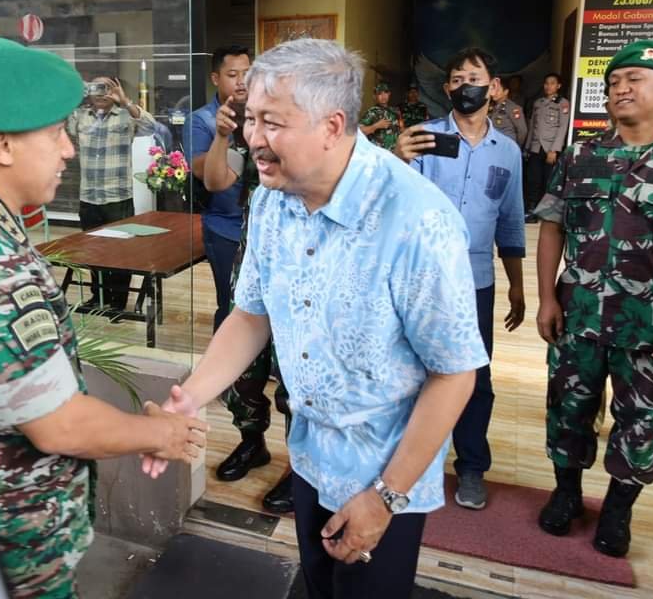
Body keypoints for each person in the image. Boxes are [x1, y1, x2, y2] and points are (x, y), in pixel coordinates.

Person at [146, 38, 487, 597]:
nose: (253, 137)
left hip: (385, 471)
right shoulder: (272, 199)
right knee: (319, 586)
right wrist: (190, 398)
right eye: (251, 118)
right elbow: (251, 315)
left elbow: (454, 373)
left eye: (272, 122)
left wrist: (386, 497)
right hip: (308, 453)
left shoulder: (417, 219)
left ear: (332, 126)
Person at [0, 38, 207, 598]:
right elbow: (59, 425)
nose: (68, 150)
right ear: (3, 144)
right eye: (55, 133)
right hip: (3, 545)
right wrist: (161, 433)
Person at [534, 40, 653, 557]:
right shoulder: (581, 154)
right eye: (613, 82)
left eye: (634, 79)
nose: (621, 89)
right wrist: (546, 298)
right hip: (578, 314)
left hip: (652, 325)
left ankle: (617, 509)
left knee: (640, 422)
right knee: (568, 409)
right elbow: (552, 227)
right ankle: (567, 493)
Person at [395, 48, 526, 511]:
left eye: (474, 78)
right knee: (412, 372)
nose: (464, 86)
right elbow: (394, 202)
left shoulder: (508, 152)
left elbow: (510, 221)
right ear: (447, 88)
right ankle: (406, 465)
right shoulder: (424, 138)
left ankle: (471, 466)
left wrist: (516, 285)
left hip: (476, 282)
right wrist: (397, 158)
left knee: (474, 376)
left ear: (494, 87)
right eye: (456, 79)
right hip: (420, 277)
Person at [201, 91, 293, 513]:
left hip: (301, 271)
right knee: (244, 373)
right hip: (254, 262)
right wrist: (222, 136)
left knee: (294, 376)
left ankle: (300, 468)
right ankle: (251, 442)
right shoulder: (250, 149)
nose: (258, 130)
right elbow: (215, 181)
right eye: (251, 119)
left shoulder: (308, 153)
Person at [67, 76, 156, 314]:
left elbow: (150, 126)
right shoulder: (80, 116)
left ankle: (118, 302)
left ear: (115, 91)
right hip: (89, 197)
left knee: (120, 251)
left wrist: (125, 101)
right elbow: (62, 127)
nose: (101, 93)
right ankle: (98, 297)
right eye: (95, 88)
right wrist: (76, 94)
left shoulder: (125, 115)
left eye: (106, 88)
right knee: (93, 251)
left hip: (118, 197)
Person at [184, 45, 251, 330]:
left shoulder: (261, 115)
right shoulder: (201, 120)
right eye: (233, 75)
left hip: (259, 226)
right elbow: (203, 172)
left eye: (247, 74)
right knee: (231, 303)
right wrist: (224, 137)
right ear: (215, 78)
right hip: (225, 227)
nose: (242, 82)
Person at [524, 73, 571, 221]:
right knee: (533, 179)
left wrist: (554, 150)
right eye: (546, 83)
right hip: (536, 147)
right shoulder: (538, 103)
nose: (548, 86)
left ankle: (545, 212)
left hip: (550, 148)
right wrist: (527, 147)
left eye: (552, 83)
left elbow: (562, 127)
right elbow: (532, 126)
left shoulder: (563, 103)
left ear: (558, 86)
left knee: (549, 180)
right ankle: (531, 209)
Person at [359, 81, 400, 150]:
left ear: (389, 94)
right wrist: (376, 126)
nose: (383, 96)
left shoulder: (395, 111)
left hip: (393, 153)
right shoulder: (372, 112)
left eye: (385, 92)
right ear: (375, 96)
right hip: (378, 153)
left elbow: (400, 130)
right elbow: (359, 132)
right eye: (380, 93)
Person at [489, 77, 528, 149]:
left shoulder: (513, 108)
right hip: (492, 146)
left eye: (498, 90)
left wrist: (516, 147)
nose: (494, 93)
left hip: (506, 147)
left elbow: (522, 131)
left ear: (506, 92)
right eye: (493, 89)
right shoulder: (490, 107)